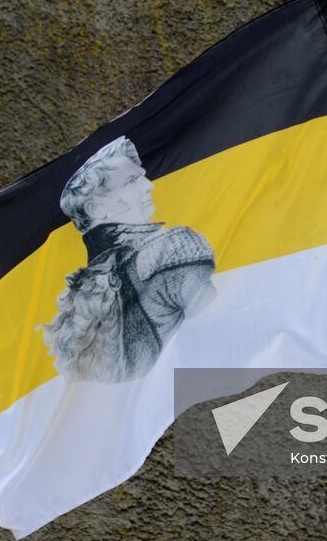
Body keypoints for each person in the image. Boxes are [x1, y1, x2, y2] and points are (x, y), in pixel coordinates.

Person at [43, 137, 216, 382]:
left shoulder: (74, 300)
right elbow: (222, 331)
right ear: (95, 208)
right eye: (132, 181)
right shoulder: (171, 250)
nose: (148, 186)